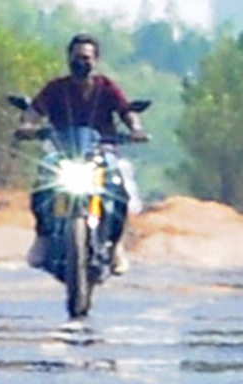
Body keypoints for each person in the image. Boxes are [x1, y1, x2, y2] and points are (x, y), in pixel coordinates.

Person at [16, 33, 148, 274]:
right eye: (77, 57)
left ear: (95, 60)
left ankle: (116, 246)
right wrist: (27, 126)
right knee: (42, 184)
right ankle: (43, 238)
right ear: (69, 58)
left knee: (119, 192)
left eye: (86, 58)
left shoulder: (107, 87)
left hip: (101, 152)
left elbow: (127, 111)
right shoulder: (56, 88)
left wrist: (136, 129)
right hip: (63, 153)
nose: (81, 62)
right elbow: (34, 111)